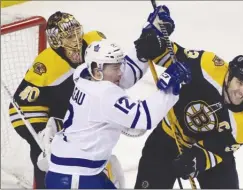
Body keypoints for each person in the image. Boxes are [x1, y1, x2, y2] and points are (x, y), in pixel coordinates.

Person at [133, 5, 243, 189]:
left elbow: (217, 152)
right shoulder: (208, 66)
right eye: (240, 83)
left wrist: (196, 161)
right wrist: (154, 44)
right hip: (170, 135)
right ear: (228, 76)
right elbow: (172, 57)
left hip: (208, 152)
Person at [44, 37, 190, 189]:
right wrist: (170, 89)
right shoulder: (103, 94)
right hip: (75, 179)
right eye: (115, 68)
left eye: (119, 66)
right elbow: (143, 118)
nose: (120, 72)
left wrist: (145, 44)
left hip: (74, 171)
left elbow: (125, 75)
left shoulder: (84, 75)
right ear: (97, 69)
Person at [8, 11, 108, 189]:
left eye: (78, 32)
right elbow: (21, 107)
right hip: (38, 115)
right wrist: (44, 134)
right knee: (45, 156)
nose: (77, 40)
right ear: (57, 41)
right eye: (69, 37)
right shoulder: (47, 64)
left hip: (67, 108)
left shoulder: (95, 42)